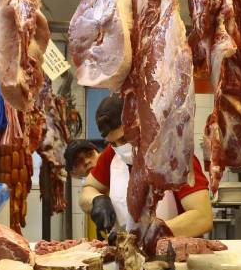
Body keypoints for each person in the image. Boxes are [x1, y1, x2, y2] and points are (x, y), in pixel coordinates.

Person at [79, 95, 213, 239]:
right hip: (129, 256)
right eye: (113, 142)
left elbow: (202, 217)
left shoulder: (175, 154)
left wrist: (152, 233)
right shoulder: (112, 154)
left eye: (125, 138)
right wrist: (96, 200)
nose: (120, 146)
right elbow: (88, 189)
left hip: (174, 256)